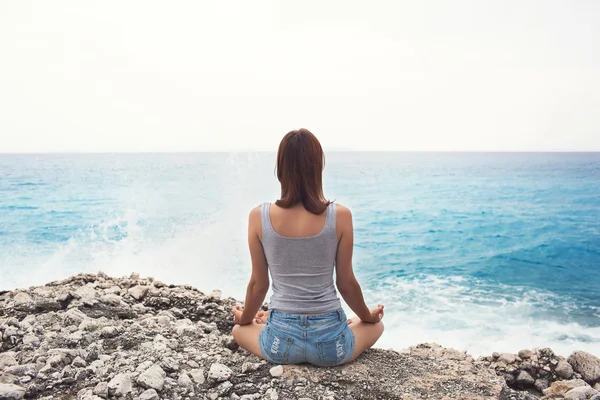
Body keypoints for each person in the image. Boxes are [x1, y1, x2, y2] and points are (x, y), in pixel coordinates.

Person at [231, 128, 384, 367]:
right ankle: (354, 322)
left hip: (280, 344)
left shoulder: (258, 217)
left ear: (280, 168)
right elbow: (346, 284)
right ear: (318, 167)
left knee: (239, 331)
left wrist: (246, 319)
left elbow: (258, 285)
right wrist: (367, 316)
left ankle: (265, 321)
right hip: (332, 345)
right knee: (377, 325)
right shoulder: (341, 216)